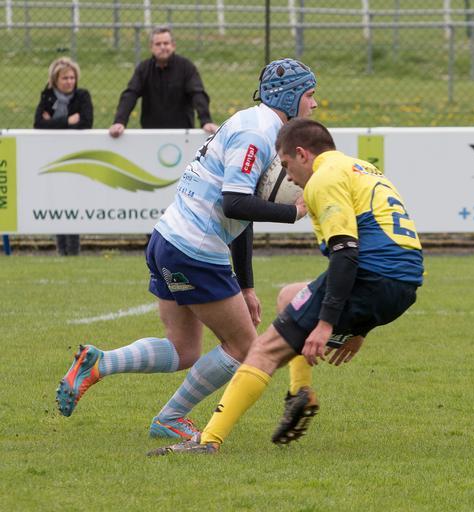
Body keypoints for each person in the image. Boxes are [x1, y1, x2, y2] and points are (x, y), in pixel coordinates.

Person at [56, 59, 318, 442]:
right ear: (290, 97)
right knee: (245, 346)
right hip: (195, 249)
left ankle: (99, 363)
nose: (314, 104)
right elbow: (235, 203)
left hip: (168, 239)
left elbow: (240, 212)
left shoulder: (253, 123)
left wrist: (246, 286)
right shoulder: (258, 133)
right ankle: (171, 418)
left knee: (183, 349)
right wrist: (292, 212)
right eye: (310, 95)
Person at [147, 119, 424, 456]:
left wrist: (326, 324)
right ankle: (299, 392)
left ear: (303, 154)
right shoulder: (362, 169)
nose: (288, 177)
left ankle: (208, 442)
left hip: (371, 275)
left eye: (287, 165)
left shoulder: (323, 179)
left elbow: (345, 253)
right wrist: (360, 327)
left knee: (262, 350)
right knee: (290, 296)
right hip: (405, 283)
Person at [109, 26, 217, 138]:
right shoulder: (143, 69)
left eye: (166, 43)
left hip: (183, 134)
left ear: (173, 45)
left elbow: (197, 94)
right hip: (151, 134)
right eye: (158, 44)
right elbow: (131, 94)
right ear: (151, 47)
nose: (162, 47)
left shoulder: (186, 67)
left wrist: (206, 120)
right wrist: (120, 121)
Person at [34, 56, 93, 256]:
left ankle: (73, 250)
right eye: (65, 78)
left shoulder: (82, 96)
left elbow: (86, 122)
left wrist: (53, 122)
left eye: (72, 78)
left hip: (77, 155)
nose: (69, 82)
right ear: (55, 80)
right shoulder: (47, 97)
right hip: (53, 157)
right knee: (58, 199)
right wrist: (68, 121)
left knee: (73, 199)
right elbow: (39, 124)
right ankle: (61, 249)